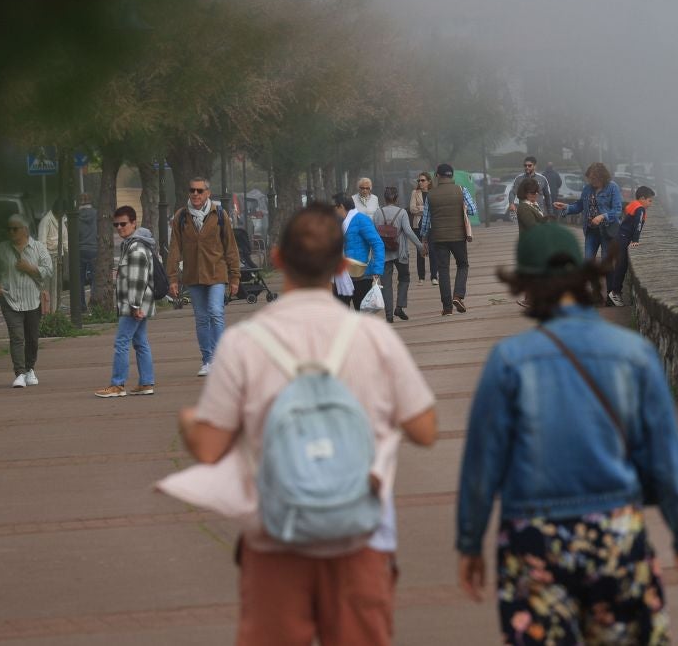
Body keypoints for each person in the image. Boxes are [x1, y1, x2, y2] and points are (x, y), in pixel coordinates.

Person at [175, 204, 438, 646]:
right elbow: (425, 429)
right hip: (362, 535)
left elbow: (207, 447)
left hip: (275, 538)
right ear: (341, 265)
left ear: (278, 260)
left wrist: (187, 421)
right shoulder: (372, 337)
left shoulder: (243, 343)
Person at [456, 224, 678, 643]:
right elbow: (666, 458)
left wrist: (469, 542)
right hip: (615, 533)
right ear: (583, 275)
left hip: (532, 538)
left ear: (528, 285)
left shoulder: (509, 361)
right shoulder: (634, 354)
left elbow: (482, 466)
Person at [166, 177, 241, 377]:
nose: (196, 194)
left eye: (200, 191)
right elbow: (174, 249)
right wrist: (172, 278)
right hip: (193, 275)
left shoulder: (220, 215)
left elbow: (231, 248)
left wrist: (235, 277)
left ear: (208, 193)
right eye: (192, 190)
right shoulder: (181, 216)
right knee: (201, 318)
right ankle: (207, 360)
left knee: (216, 312)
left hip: (217, 273)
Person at [95, 206, 158, 397]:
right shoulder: (132, 244)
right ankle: (146, 382)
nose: (119, 228)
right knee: (140, 342)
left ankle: (117, 384)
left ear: (133, 223)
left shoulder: (136, 248)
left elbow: (137, 280)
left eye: (123, 224)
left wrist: (135, 305)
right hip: (137, 304)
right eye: (116, 224)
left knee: (122, 342)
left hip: (133, 305)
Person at [0, 214, 53, 389]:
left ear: (25, 230)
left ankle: (30, 368)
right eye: (8, 229)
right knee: (17, 337)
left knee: (32, 339)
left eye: (15, 229)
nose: (11, 232)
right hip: (10, 299)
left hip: (33, 300)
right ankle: (20, 373)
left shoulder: (38, 248)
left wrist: (30, 268)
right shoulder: (2, 249)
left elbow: (48, 270)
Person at [419, 162, 476, 316]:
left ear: (437, 176)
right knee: (463, 264)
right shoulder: (461, 190)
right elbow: (472, 209)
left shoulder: (431, 194)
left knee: (443, 270)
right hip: (458, 236)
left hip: (438, 238)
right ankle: (458, 295)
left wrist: (424, 239)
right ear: (452, 175)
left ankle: (447, 308)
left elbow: (425, 220)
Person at [552, 161, 623, 264]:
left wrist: (602, 217)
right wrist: (566, 207)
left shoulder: (613, 187)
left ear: (602, 177)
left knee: (606, 262)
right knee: (588, 262)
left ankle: (610, 280)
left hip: (607, 231)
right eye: (590, 178)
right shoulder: (587, 188)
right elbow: (580, 205)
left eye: (594, 179)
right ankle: (590, 279)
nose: (591, 181)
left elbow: (617, 210)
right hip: (591, 231)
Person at [375, 186, 425, 323]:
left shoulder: (378, 213)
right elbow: (408, 232)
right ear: (397, 198)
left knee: (386, 284)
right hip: (401, 252)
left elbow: (374, 234)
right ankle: (399, 306)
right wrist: (420, 247)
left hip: (384, 253)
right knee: (404, 278)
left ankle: (389, 315)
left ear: (384, 198)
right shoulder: (402, 212)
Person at [606, 186, 655, 308]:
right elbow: (637, 225)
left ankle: (613, 293)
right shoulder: (640, 209)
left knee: (619, 265)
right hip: (624, 238)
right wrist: (635, 240)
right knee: (621, 266)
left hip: (620, 236)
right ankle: (614, 292)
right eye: (650, 200)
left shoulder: (634, 204)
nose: (651, 203)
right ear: (642, 198)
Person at [332, 194, 384, 309]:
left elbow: (377, 243)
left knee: (361, 316)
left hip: (361, 276)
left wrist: (377, 269)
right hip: (341, 276)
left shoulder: (361, 220)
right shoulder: (336, 223)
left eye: (334, 207)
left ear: (340, 206)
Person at [38, 199, 69, 312]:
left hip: (58, 256)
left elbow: (65, 241)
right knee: (47, 287)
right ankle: (46, 311)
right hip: (48, 257)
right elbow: (42, 242)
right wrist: (45, 260)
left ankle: (54, 310)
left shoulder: (61, 220)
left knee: (56, 287)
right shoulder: (46, 221)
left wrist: (70, 253)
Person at [409, 171, 435, 283]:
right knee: (421, 250)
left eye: (423, 180)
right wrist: (426, 209)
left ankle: (434, 276)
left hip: (432, 225)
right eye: (419, 180)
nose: (420, 182)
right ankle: (421, 277)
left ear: (429, 181)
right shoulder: (415, 192)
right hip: (418, 225)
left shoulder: (434, 192)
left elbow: (435, 210)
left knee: (433, 250)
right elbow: (412, 209)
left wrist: (421, 208)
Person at [75, 193, 97, 312]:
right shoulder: (96, 214)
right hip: (94, 248)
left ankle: (81, 306)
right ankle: (94, 305)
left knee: (79, 280)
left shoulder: (76, 216)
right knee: (94, 279)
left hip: (80, 249)